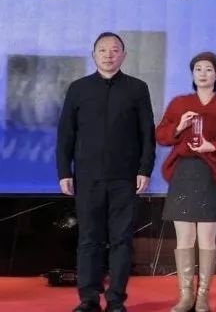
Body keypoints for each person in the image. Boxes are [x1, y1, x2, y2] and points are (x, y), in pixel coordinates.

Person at [57, 32, 156, 312]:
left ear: (123, 55)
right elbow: (66, 134)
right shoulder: (78, 88)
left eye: (114, 50)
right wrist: (64, 171)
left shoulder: (137, 88)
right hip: (87, 177)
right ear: (94, 55)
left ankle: (116, 299)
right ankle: (88, 298)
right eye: (103, 50)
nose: (108, 55)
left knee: (121, 240)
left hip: (125, 178)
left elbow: (147, 134)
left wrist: (145, 168)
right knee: (89, 238)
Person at [155, 51, 216, 312]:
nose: (203, 74)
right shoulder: (179, 103)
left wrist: (211, 147)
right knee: (184, 237)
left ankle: (203, 295)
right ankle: (185, 295)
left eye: (208, 69)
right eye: (198, 69)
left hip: (211, 173)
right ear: (192, 74)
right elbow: (161, 135)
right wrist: (179, 127)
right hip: (183, 172)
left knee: (207, 238)